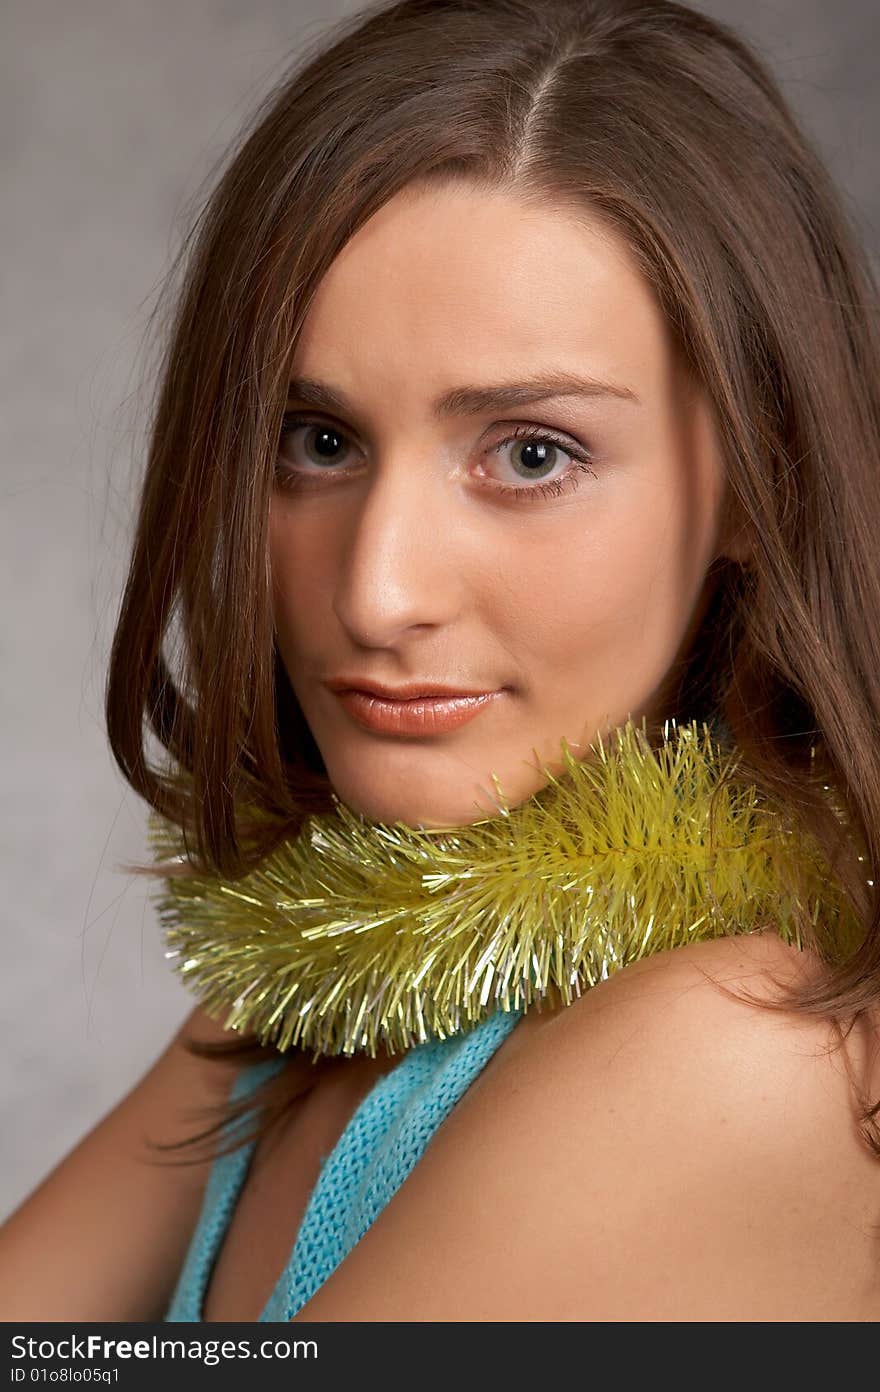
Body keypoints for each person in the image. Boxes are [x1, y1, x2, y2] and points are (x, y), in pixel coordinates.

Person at [3, 0, 880, 1322]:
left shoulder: (734, 1046)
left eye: (532, 453)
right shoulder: (320, 999)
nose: (378, 589)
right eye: (317, 440)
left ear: (758, 484)